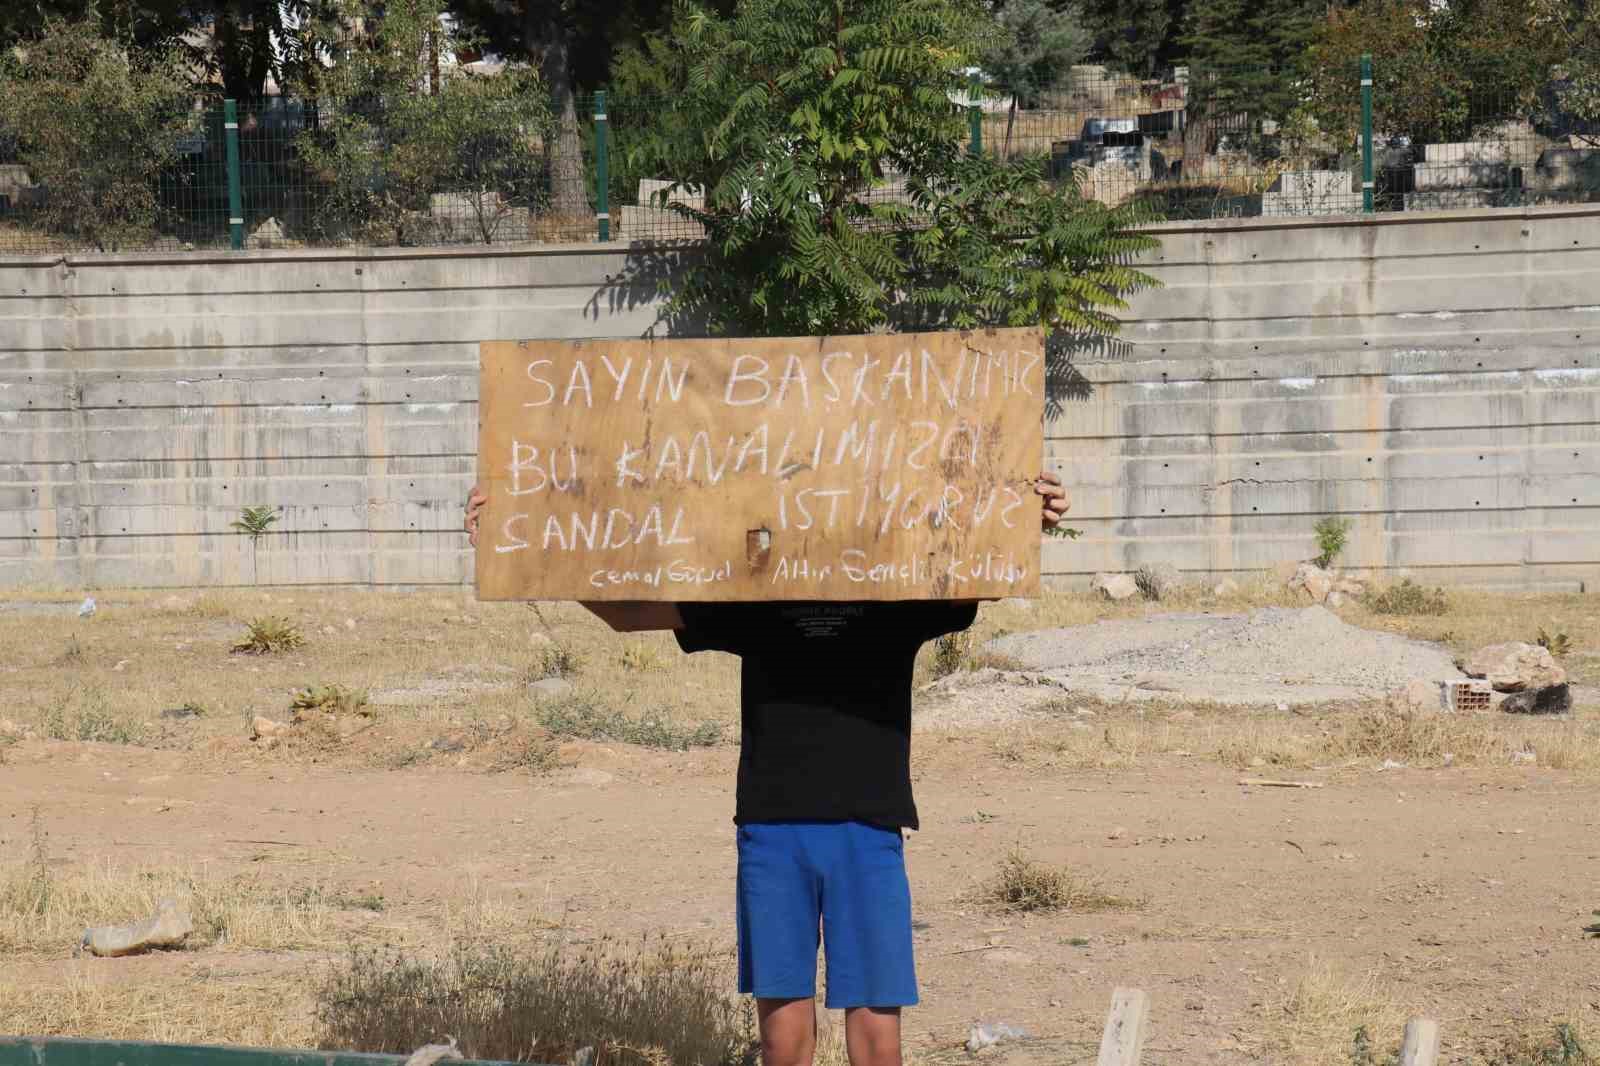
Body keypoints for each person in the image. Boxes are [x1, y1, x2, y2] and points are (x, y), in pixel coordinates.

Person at [465, 473, 1070, 1066]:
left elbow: (991, 569)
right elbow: (628, 613)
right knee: (783, 1044)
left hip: (868, 829)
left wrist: (1027, 517)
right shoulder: (756, 597)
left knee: (878, 1042)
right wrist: (515, 546)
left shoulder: (897, 596)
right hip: (773, 830)